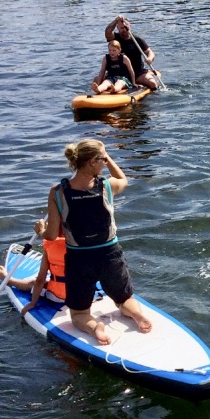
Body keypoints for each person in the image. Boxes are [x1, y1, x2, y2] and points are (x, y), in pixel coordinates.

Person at [44, 139, 152, 345]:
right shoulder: (108, 186)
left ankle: (95, 328)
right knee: (125, 299)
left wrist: (40, 230)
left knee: (78, 314)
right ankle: (137, 315)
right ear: (93, 162)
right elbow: (123, 179)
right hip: (110, 254)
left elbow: (51, 235)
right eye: (103, 159)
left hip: (79, 258)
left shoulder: (57, 192)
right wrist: (109, 159)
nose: (105, 162)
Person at [0, 218, 67, 315]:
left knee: (32, 283)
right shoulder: (86, 245)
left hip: (60, 297)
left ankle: (10, 281)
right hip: (85, 295)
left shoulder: (50, 245)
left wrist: (33, 303)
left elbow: (40, 280)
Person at [104, 15, 159, 90]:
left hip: (137, 73)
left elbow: (150, 52)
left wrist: (149, 58)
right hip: (119, 73)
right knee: (98, 79)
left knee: (152, 83)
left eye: (126, 27)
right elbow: (108, 31)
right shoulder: (115, 38)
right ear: (118, 28)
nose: (125, 29)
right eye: (121, 28)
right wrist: (116, 21)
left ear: (130, 25)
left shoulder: (138, 40)